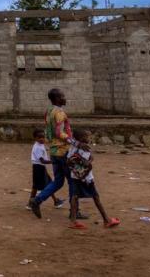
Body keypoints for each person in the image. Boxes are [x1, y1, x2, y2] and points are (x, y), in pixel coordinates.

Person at [28, 88, 88, 219]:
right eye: (62, 96)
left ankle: (36, 200)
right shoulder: (60, 112)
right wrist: (76, 143)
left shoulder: (48, 111)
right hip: (63, 151)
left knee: (58, 181)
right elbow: (59, 132)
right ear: (56, 99)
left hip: (54, 151)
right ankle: (74, 211)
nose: (64, 98)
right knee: (73, 181)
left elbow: (50, 132)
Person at [66, 129, 120, 230]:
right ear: (83, 138)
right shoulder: (85, 148)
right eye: (88, 137)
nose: (90, 138)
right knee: (96, 197)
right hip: (86, 178)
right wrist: (90, 160)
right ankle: (106, 220)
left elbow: (69, 159)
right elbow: (86, 164)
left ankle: (72, 221)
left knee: (74, 196)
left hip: (74, 175)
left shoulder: (73, 146)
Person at [28, 128, 66, 210]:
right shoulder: (37, 147)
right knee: (46, 185)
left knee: (46, 184)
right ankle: (31, 203)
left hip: (39, 167)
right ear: (35, 138)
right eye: (39, 137)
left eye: (43, 137)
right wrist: (53, 161)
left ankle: (55, 201)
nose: (42, 139)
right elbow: (42, 160)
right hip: (39, 167)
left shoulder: (40, 145)